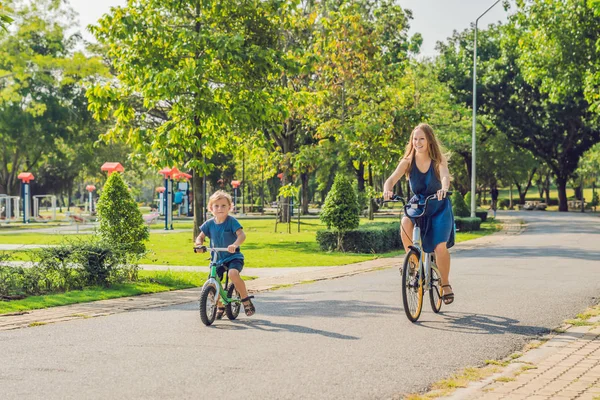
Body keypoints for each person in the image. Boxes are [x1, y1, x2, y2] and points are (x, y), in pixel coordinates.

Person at [383, 123, 455, 305]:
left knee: (440, 247)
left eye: (422, 138)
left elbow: (445, 177)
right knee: (405, 222)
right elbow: (391, 179)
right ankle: (412, 263)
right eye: (415, 139)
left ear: (429, 140)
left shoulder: (438, 161)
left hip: (438, 205)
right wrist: (387, 189)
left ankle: (445, 285)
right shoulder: (407, 161)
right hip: (419, 204)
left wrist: (444, 189)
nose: (418, 142)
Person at [194, 190, 255, 317]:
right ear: (211, 208)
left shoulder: (231, 221)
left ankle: (245, 299)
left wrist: (235, 245)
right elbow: (199, 237)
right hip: (217, 258)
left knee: (233, 274)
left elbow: (241, 235)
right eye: (216, 206)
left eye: (223, 206)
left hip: (233, 257)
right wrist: (199, 245)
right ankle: (220, 305)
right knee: (213, 280)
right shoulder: (209, 224)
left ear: (229, 207)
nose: (220, 208)